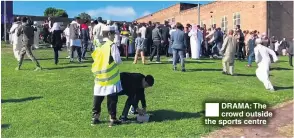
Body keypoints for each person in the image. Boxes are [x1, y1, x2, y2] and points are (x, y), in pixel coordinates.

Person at [91, 25, 123, 127]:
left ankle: (95, 117)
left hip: (99, 76)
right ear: (109, 34)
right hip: (110, 76)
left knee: (98, 97)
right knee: (112, 99)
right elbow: (117, 60)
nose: (114, 36)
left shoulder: (99, 44)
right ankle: (112, 119)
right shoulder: (111, 45)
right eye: (113, 34)